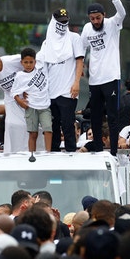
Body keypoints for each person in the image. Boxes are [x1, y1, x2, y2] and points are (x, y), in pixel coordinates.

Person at [81, 0, 126, 154]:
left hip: (111, 77)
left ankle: (113, 151)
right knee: (95, 117)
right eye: (92, 19)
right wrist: (82, 68)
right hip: (94, 80)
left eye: (98, 18)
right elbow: (82, 48)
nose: (95, 21)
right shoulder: (86, 28)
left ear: (103, 16)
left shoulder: (112, 24)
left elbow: (122, 14)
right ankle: (98, 150)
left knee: (113, 117)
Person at [40, 8, 84, 152]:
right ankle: (52, 153)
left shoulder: (74, 38)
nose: (62, 25)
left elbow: (79, 60)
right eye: (60, 22)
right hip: (51, 91)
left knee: (68, 124)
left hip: (68, 90)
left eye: (65, 22)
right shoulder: (47, 43)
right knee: (52, 125)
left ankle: (71, 153)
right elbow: (42, 67)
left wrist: (77, 82)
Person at [13, 47, 53, 153]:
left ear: (35, 61)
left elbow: (46, 46)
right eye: (26, 62)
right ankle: (32, 153)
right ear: (21, 62)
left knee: (48, 129)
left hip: (44, 106)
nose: (29, 65)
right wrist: (20, 101)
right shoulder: (19, 76)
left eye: (31, 62)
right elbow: (14, 92)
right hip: (31, 107)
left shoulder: (41, 67)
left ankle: (48, 152)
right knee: (33, 133)